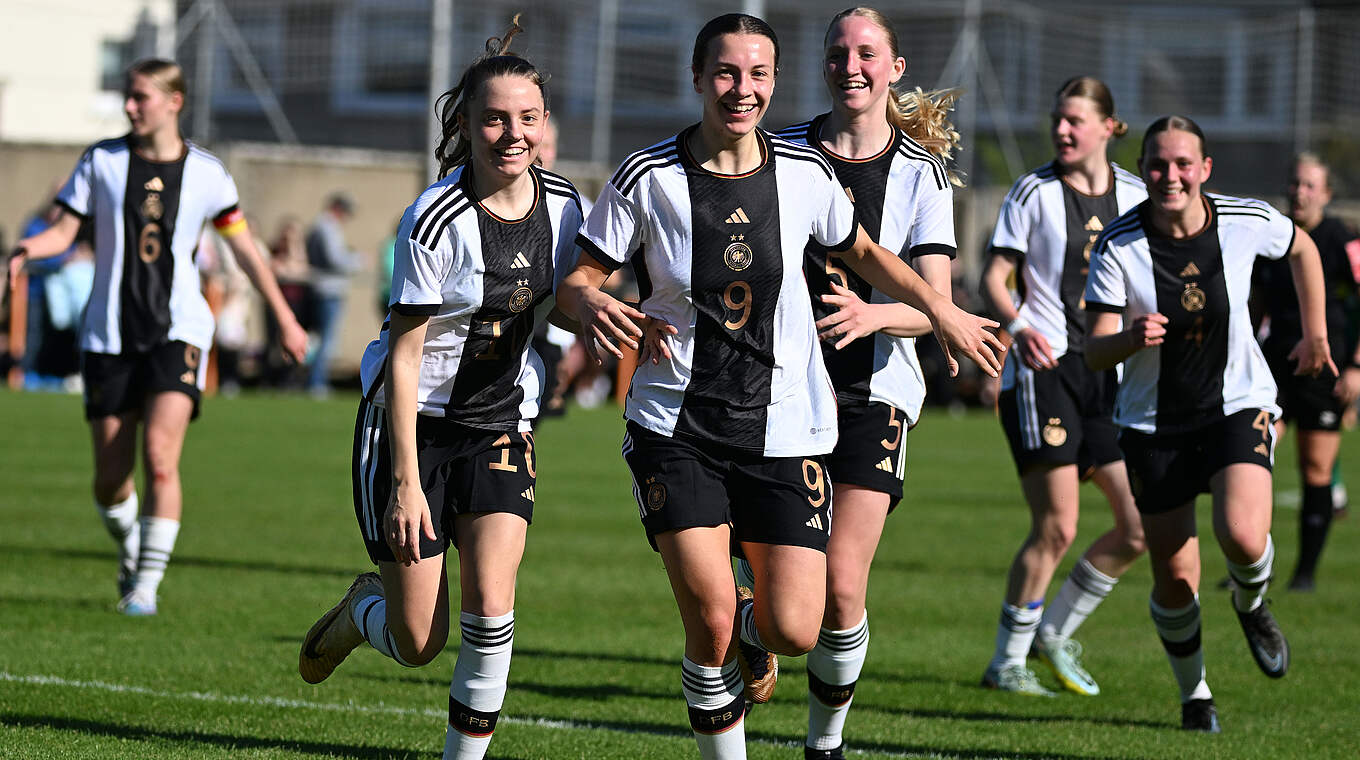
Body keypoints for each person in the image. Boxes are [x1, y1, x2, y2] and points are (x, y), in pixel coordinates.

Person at [557, 14, 1003, 759]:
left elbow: (865, 254)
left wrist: (941, 311)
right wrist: (593, 302)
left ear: (774, 81)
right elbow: (577, 280)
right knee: (709, 622)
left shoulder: (804, 174)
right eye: (727, 73)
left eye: (758, 75)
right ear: (698, 77)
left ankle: (764, 652)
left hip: (788, 425)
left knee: (799, 625)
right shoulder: (648, 175)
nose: (742, 89)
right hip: (678, 423)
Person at [296, 20, 583, 760]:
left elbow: (568, 300)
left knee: (493, 606)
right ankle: (362, 612)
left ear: (545, 124)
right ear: (466, 124)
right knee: (419, 640)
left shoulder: (566, 206)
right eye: (493, 118)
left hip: (497, 427)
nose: (511, 134)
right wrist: (405, 485)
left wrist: (612, 316)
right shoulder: (434, 216)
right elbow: (403, 354)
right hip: (408, 428)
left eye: (526, 118)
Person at [6, 58, 308, 615]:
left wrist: (285, 319)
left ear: (174, 101)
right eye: (127, 95)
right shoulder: (101, 161)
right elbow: (64, 231)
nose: (129, 105)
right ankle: (130, 551)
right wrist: (25, 251)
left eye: (140, 96)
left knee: (161, 457)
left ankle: (145, 587)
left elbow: (245, 250)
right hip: (108, 337)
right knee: (109, 480)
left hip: (180, 331)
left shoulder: (209, 174)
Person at [1084, 115, 1334, 731]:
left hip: (1237, 402)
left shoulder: (1244, 221)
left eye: (1182, 164)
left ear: (1205, 170)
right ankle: (1195, 694)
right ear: (1142, 169)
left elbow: (1302, 247)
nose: (1170, 175)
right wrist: (1130, 340)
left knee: (1244, 536)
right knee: (1175, 575)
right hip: (1151, 422)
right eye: (1158, 164)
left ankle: (1252, 603)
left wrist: (1316, 333)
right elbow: (1093, 350)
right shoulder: (1119, 244)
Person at [769, 8, 963, 757]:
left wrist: (875, 314)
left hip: (875, 395)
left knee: (842, 588)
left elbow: (935, 310)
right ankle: (755, 630)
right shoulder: (779, 152)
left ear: (895, 68)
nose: (851, 65)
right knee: (784, 591)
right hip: (778, 391)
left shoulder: (920, 174)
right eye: (838, 53)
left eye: (866, 54)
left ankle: (826, 744)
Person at [976, 76, 1148, 696]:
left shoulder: (1137, 193)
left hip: (1109, 375)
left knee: (1139, 527)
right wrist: (1017, 326)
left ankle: (1054, 630)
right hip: (1042, 373)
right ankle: (1006, 662)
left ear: (1109, 126)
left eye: (1075, 119)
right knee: (1058, 525)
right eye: (1057, 119)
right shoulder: (1033, 191)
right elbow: (995, 276)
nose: (1063, 130)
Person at [1253, 153, 1360, 591]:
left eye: (1310, 185)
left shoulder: (1343, 239)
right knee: (1254, 456)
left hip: (1326, 368)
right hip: (1274, 366)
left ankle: (1304, 575)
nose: (1300, 192)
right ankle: (1253, 564)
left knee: (1316, 469)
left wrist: (1355, 366)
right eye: (1295, 183)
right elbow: (1254, 303)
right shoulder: (1272, 237)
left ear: (1327, 194)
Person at [305, 191, 360, 396]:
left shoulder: (323, 226)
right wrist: (356, 260)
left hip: (325, 289)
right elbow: (334, 259)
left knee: (323, 339)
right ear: (338, 208)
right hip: (328, 290)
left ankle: (315, 380)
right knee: (325, 340)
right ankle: (316, 382)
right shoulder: (326, 226)